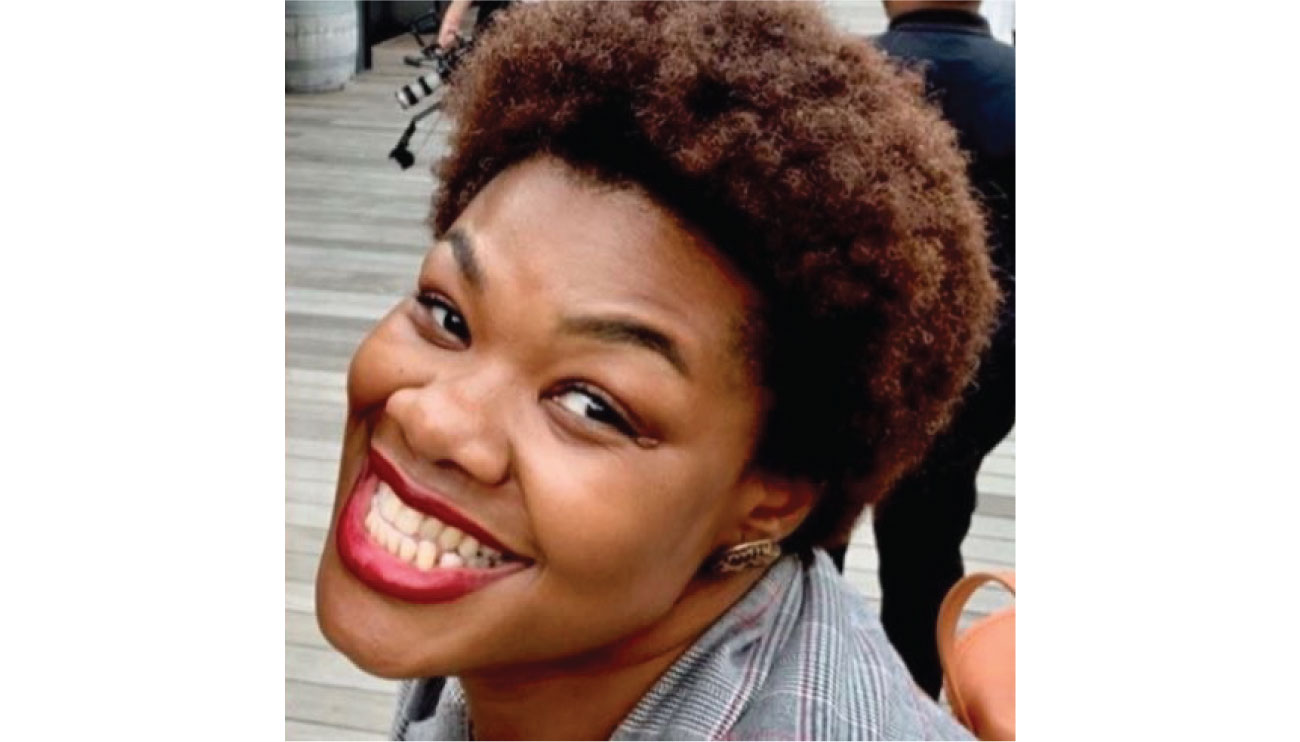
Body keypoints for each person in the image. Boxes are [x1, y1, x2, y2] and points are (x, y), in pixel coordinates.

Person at [314, 2, 999, 738]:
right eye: (448, 316)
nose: (432, 417)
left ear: (771, 497)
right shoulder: (523, 608)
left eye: (591, 405)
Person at [828, 0, 1016, 701]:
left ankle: (816, 684)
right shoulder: (1024, 82)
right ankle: (907, 705)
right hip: (981, 369)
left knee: (817, 540)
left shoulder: (847, 81)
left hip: (848, 359)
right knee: (927, 546)